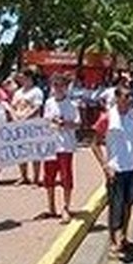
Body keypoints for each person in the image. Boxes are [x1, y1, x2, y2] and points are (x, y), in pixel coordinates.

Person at [92, 86, 133, 261]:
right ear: (117, 98)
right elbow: (95, 143)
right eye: (126, 96)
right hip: (115, 169)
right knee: (115, 207)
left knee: (128, 204)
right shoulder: (107, 117)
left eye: (131, 96)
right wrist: (105, 166)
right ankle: (113, 243)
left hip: (131, 168)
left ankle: (123, 237)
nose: (129, 99)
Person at [43, 73, 80, 224]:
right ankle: (51, 206)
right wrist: (51, 122)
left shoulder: (72, 105)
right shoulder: (49, 103)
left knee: (66, 177)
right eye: (55, 85)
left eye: (61, 86)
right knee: (49, 176)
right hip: (51, 145)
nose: (58, 88)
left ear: (66, 88)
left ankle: (66, 207)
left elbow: (78, 124)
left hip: (66, 145)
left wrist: (65, 124)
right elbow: (45, 121)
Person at [12, 70, 45, 185]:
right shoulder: (18, 92)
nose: (22, 80)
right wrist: (15, 116)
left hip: (33, 125)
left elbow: (37, 107)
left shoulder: (37, 92)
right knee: (21, 152)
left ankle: (36, 178)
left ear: (30, 77)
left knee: (34, 152)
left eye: (23, 77)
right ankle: (23, 176)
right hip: (19, 123)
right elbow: (13, 106)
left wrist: (26, 117)